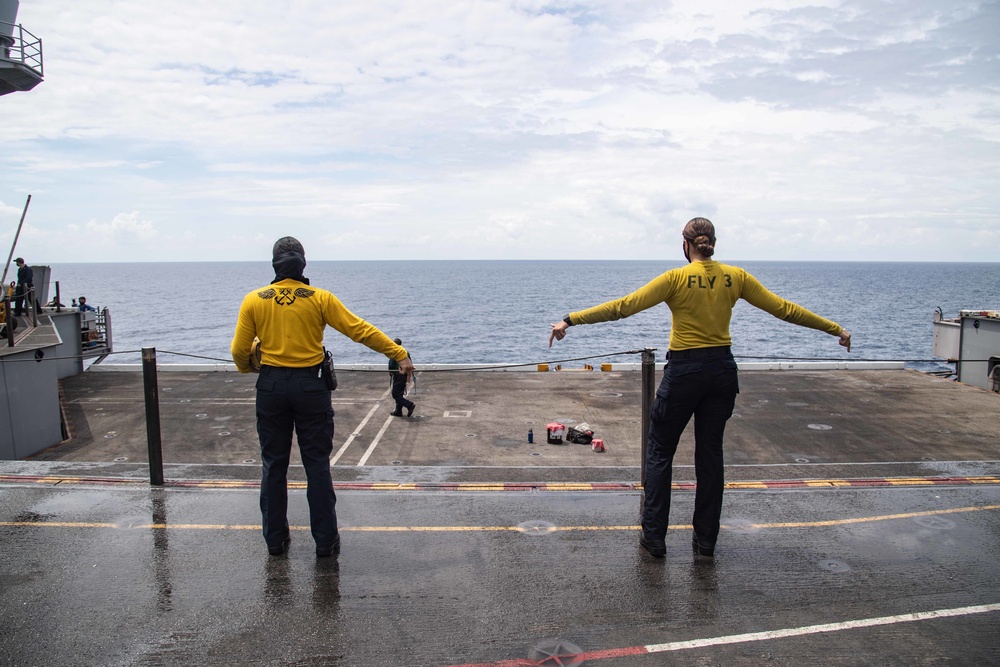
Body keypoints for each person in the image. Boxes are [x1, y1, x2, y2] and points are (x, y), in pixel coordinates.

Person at [548, 217, 851, 559]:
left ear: (685, 244)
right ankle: (705, 542)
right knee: (710, 457)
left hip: (684, 372)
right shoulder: (735, 277)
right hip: (722, 372)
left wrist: (569, 319)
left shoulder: (675, 278)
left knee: (661, 452)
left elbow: (623, 307)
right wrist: (835, 329)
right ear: (713, 244)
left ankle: (655, 539)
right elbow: (784, 310)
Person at [231, 237, 414, 558]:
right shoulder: (319, 298)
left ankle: (275, 541)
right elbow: (359, 329)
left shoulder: (254, 300)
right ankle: (325, 542)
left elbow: (237, 353)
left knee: (273, 466)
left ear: (273, 264)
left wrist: (251, 365)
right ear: (303, 263)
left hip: (271, 387)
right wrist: (398, 353)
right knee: (316, 466)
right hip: (310, 387)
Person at [388, 338, 415, 417]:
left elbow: (392, 364)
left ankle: (409, 405)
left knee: (395, 394)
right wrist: (408, 377)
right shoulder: (406, 352)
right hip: (404, 375)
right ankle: (398, 411)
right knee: (399, 393)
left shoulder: (394, 352)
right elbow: (409, 364)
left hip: (398, 375)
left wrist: (390, 372)